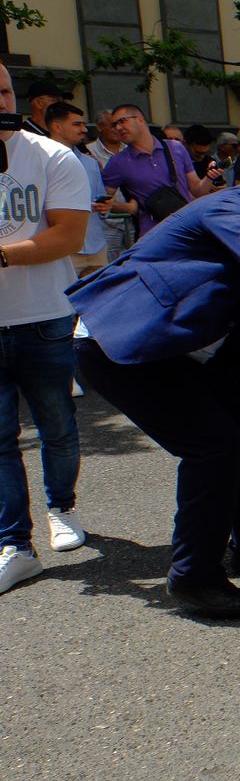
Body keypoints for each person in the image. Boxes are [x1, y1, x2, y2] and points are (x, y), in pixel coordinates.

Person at [71, 169, 240, 617]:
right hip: (117, 343)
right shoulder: (237, 205)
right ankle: (193, 576)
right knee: (213, 446)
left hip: (173, 355)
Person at [0, 65, 90, 594]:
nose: (2, 101)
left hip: (45, 318)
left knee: (57, 425)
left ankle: (62, 507)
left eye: (7, 91)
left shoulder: (53, 156)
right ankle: (14, 543)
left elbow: (68, 236)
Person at [102, 104, 224, 238]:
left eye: (122, 121)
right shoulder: (118, 162)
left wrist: (209, 177)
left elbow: (197, 190)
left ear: (140, 120)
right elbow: (102, 201)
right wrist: (129, 208)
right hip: (154, 237)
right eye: (114, 125)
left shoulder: (176, 148)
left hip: (188, 230)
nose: (118, 128)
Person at [43, 103, 114, 278]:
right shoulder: (38, 161)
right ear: (57, 127)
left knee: (101, 301)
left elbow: (101, 200)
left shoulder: (90, 163)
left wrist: (105, 207)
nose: (84, 129)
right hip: (60, 249)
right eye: (77, 124)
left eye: (83, 124)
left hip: (96, 246)